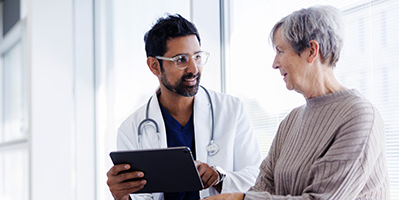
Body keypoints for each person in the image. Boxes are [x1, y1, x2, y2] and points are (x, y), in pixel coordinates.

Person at [205, 5, 390, 200]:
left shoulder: (359, 116)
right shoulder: (291, 120)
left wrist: (239, 199)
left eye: (280, 51)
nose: (275, 63)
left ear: (311, 50)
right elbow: (262, 188)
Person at [106, 14, 262, 200]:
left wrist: (219, 177)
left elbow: (258, 179)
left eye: (197, 56)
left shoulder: (232, 110)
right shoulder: (131, 130)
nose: (193, 69)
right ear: (154, 66)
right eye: (181, 59)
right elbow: (139, 196)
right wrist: (122, 197)